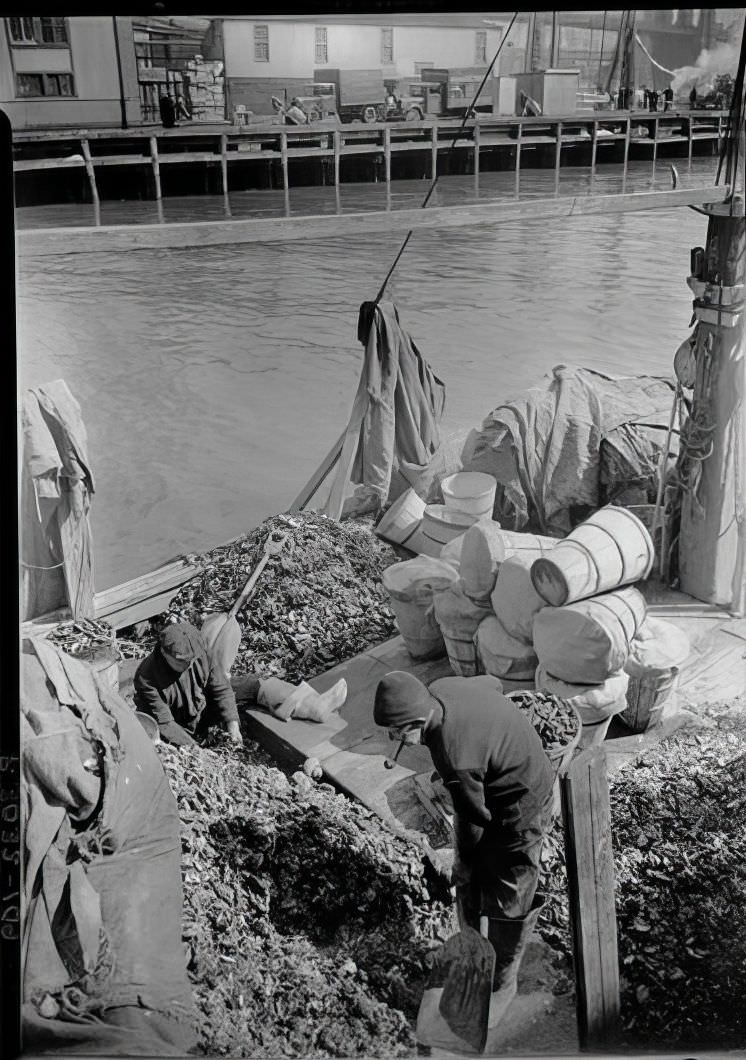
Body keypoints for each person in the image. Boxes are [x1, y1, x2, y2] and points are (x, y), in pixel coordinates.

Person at [373, 671, 555, 1023]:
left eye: (397, 732)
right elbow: (493, 685)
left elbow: (472, 821)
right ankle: (474, 951)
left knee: (509, 888)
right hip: (499, 772)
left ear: (418, 720)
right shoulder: (442, 687)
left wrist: (463, 864)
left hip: (524, 798)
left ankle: (502, 985)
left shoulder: (456, 757)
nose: (395, 739)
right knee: (477, 875)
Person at [134, 620, 347, 747]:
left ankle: (312, 706)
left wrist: (232, 723)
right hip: (180, 727)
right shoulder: (147, 678)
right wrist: (194, 749)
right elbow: (165, 724)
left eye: (192, 659)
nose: (190, 664)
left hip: (203, 707)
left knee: (252, 684)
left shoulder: (200, 654)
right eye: (182, 661)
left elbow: (220, 687)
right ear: (164, 652)